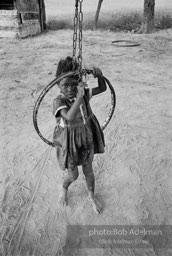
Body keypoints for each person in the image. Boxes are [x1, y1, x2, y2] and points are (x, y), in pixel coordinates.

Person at [53, 56, 107, 214]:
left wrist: (100, 75)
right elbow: (68, 116)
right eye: (65, 85)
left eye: (74, 84)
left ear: (79, 83)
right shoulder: (59, 101)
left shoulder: (82, 93)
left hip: (86, 137)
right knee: (73, 174)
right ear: (57, 84)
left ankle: (91, 196)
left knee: (88, 170)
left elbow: (103, 88)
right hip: (70, 141)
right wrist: (80, 95)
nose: (70, 88)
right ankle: (64, 188)